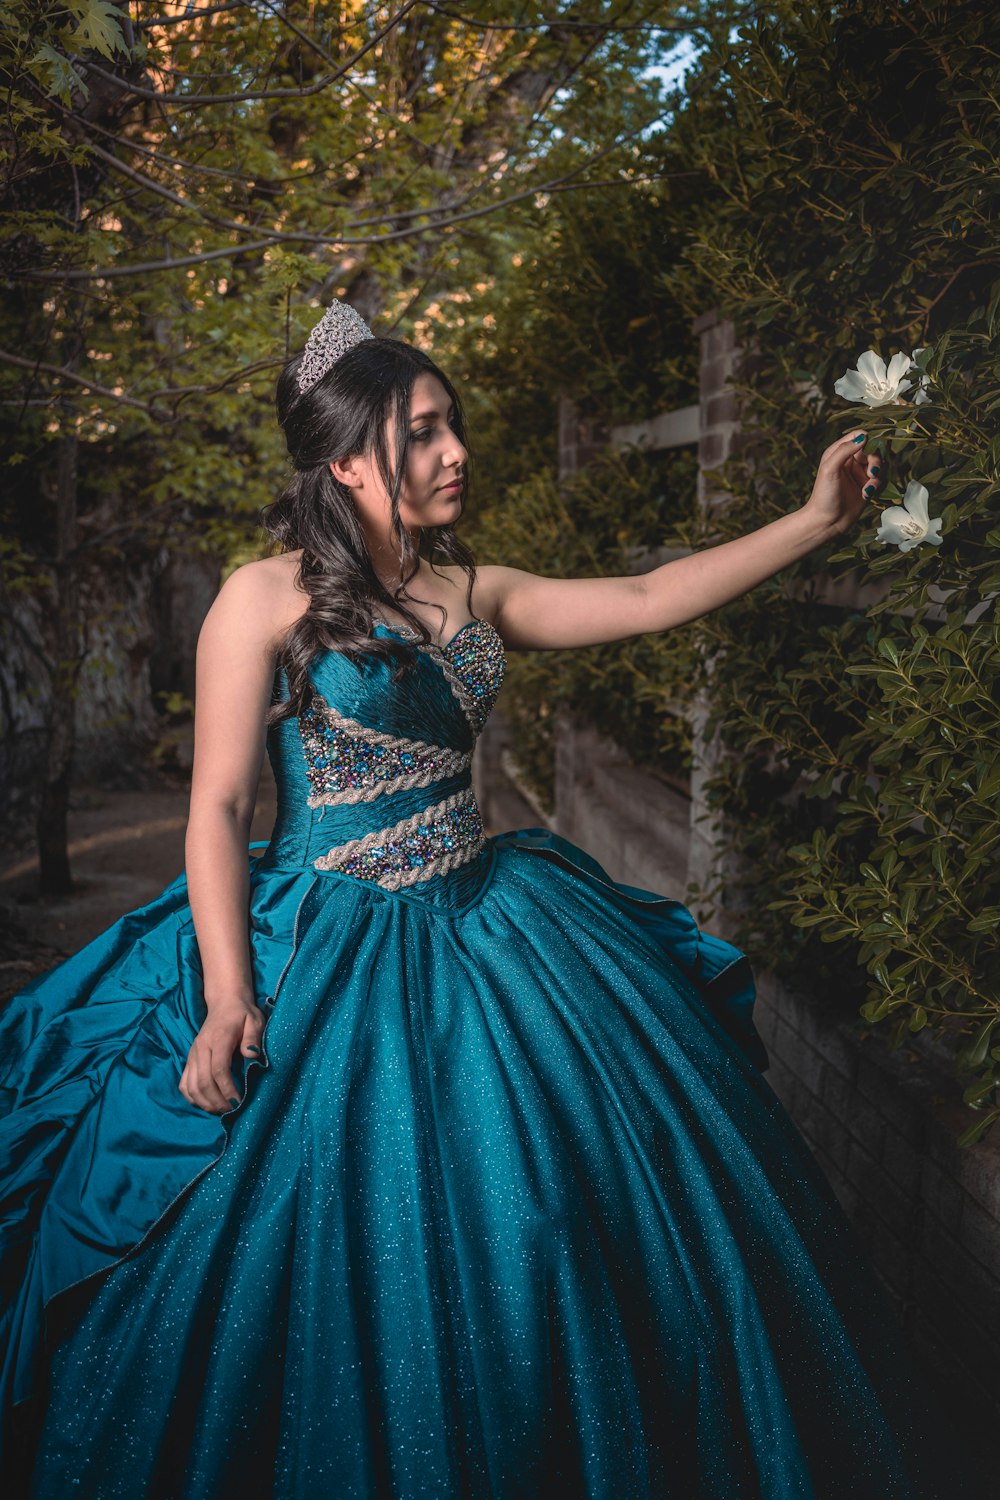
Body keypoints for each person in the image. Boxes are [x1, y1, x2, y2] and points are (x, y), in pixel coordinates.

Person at [0, 300, 971, 1499]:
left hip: (497, 921)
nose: (455, 450)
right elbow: (215, 809)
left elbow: (648, 600)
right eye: (421, 433)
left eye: (452, 424)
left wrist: (815, 522)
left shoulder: (478, 588)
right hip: (329, 939)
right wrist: (224, 993)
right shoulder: (258, 598)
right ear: (347, 460)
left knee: (563, 1226)